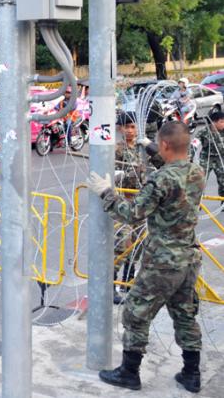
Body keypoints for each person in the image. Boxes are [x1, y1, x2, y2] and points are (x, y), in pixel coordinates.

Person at [87, 121, 205, 393]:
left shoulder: (160, 179)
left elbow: (132, 214)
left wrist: (107, 193)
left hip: (163, 261)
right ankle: (191, 373)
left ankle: (129, 372)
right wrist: (152, 149)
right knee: (185, 313)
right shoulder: (196, 172)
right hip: (188, 257)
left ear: (164, 145)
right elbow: (173, 169)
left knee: (136, 313)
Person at [112, 112, 164, 305]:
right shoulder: (117, 149)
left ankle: (128, 280)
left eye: (133, 127)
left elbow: (163, 162)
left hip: (141, 204)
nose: (130, 131)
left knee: (139, 245)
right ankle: (112, 286)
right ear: (120, 128)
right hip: (124, 203)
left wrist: (150, 147)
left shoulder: (143, 149)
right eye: (127, 127)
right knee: (120, 244)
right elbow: (109, 170)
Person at [197, 111, 224, 199]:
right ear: (213, 122)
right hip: (206, 159)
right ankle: (197, 203)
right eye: (222, 122)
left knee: (223, 181)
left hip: (220, 158)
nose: (223, 124)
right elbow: (193, 145)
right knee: (200, 181)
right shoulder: (203, 132)